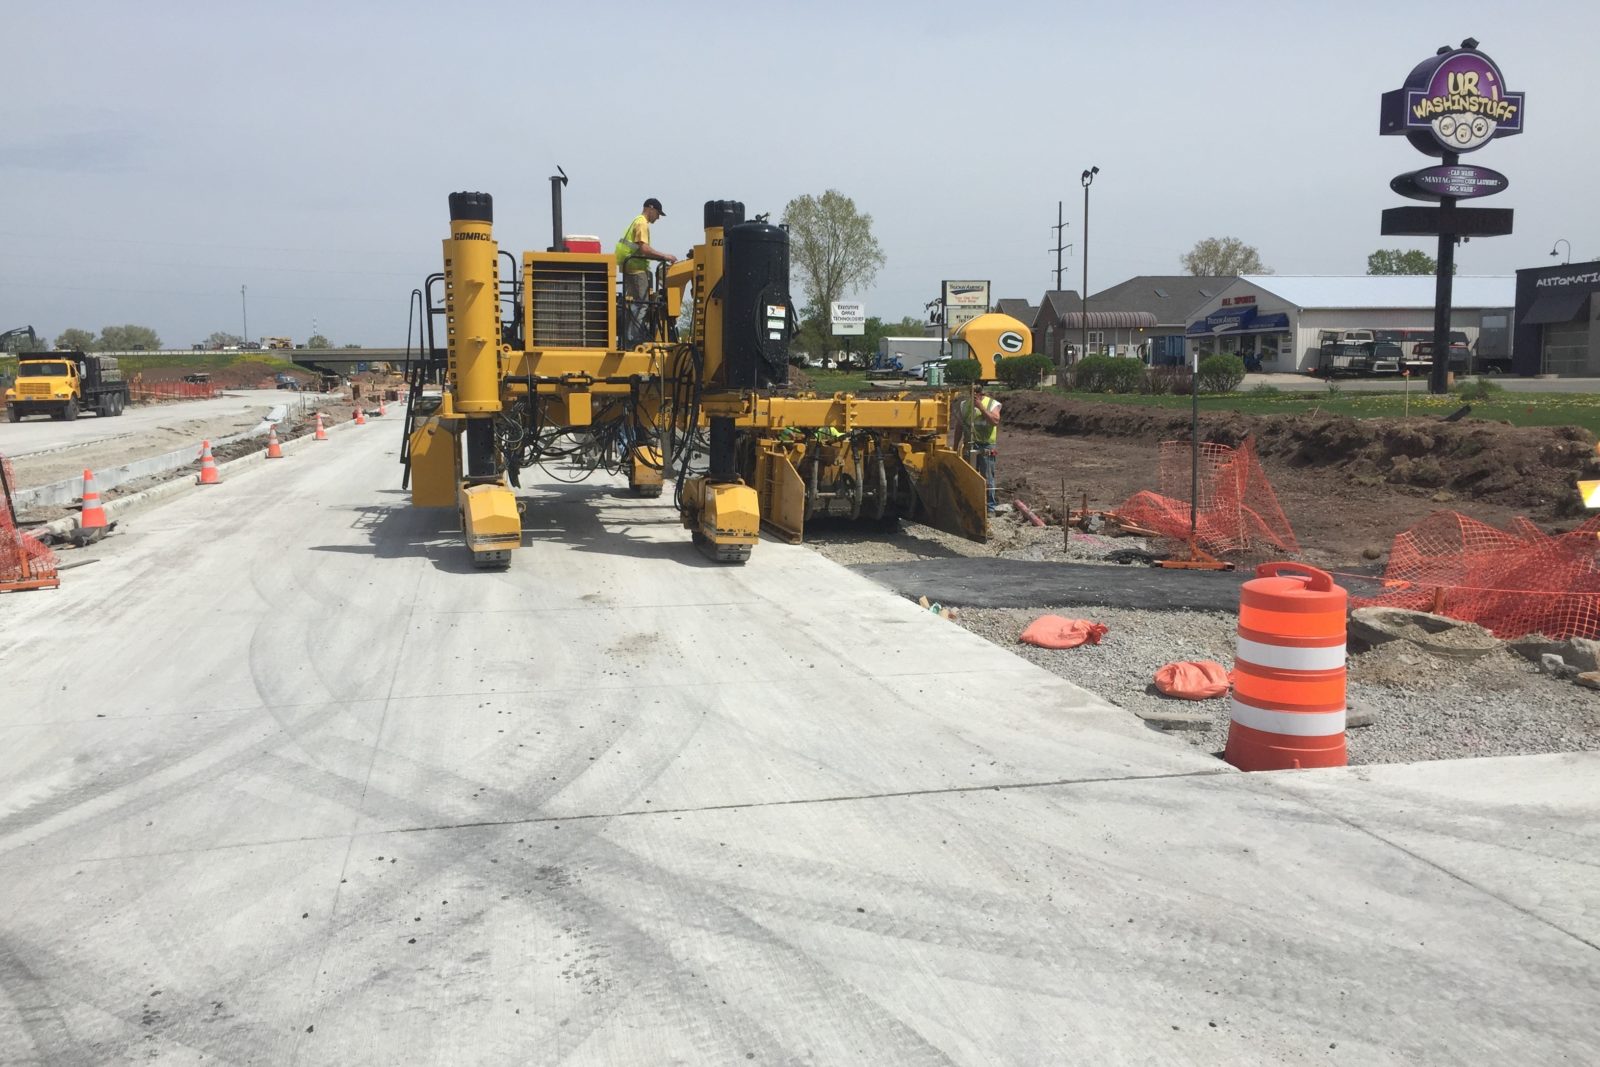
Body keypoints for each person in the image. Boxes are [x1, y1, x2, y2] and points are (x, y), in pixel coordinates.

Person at [616, 198, 677, 347]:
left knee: (634, 302)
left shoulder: (636, 220)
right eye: (658, 213)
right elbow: (644, 249)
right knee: (642, 303)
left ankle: (628, 336)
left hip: (629, 266)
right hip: (636, 268)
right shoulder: (642, 223)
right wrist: (665, 256)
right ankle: (632, 338)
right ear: (651, 208)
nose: (658, 217)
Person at [951, 385, 1002, 513]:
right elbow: (959, 427)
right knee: (969, 475)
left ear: (982, 393)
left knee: (987, 477)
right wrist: (955, 446)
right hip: (969, 445)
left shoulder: (992, 404)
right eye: (972, 393)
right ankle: (970, 504)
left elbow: (995, 421)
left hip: (986, 446)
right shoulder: (965, 405)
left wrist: (981, 407)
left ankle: (989, 508)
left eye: (977, 393)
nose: (974, 395)